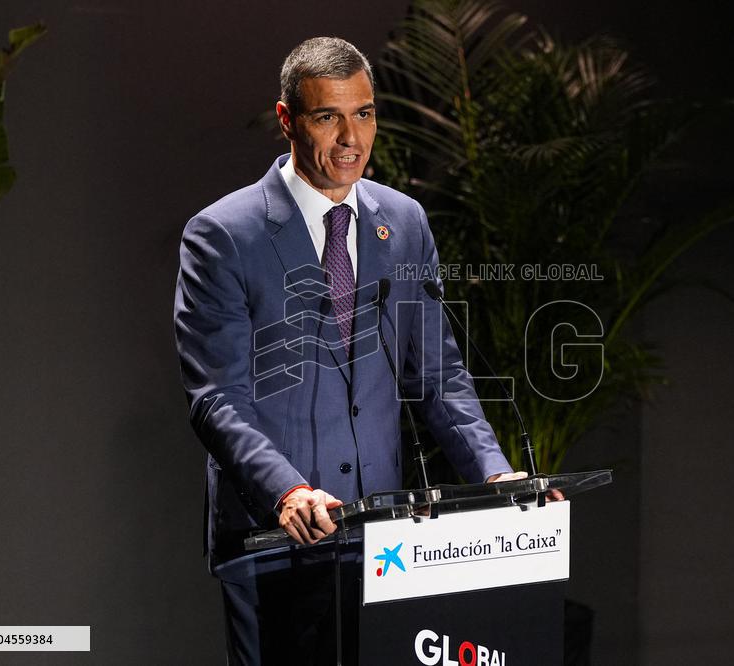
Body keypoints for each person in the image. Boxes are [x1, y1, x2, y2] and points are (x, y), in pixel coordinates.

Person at [173, 37, 524, 664]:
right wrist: (286, 491)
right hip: (274, 541)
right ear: (287, 120)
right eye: (327, 116)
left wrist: (494, 475)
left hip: (385, 545)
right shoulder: (223, 234)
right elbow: (217, 398)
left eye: (363, 114)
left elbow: (437, 374)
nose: (350, 138)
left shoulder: (405, 222)